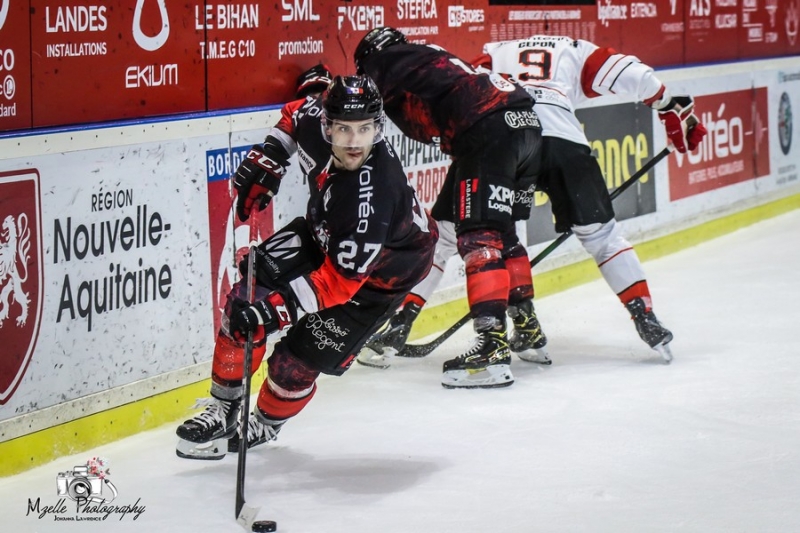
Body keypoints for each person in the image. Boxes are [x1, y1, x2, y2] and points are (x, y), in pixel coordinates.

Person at [358, 34, 709, 368]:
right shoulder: (575, 48)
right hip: (560, 141)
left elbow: (469, 89)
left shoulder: (494, 51)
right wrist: (667, 105)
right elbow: (636, 76)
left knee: (458, 233)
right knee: (602, 237)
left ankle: (401, 325)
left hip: (503, 128)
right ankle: (646, 318)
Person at [175, 75, 437, 459]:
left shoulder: (373, 198)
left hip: (375, 278)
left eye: (364, 130)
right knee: (243, 299)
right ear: (327, 125)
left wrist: (271, 312)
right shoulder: (316, 118)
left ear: (378, 129)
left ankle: (264, 423)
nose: (353, 142)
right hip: (323, 234)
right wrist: (272, 153)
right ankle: (223, 408)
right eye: (344, 129)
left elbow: (338, 284)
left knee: (291, 365)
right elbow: (295, 113)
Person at [354, 27, 544, 389]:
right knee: (493, 232)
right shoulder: (433, 61)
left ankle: (491, 347)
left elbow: (354, 94)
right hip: (525, 128)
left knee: (478, 236)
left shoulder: (390, 59)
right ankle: (527, 328)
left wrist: (319, 88)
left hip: (488, 131)